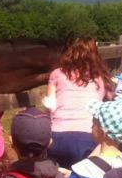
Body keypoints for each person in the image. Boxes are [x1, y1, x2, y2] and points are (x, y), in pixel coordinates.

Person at [44, 37, 110, 169]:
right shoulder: (100, 78)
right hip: (87, 136)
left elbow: (50, 105)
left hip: (57, 136)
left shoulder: (56, 74)